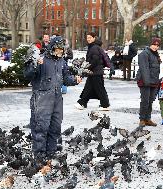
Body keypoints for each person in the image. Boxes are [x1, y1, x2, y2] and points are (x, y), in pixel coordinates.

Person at [23, 36, 81, 166]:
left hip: (57, 98)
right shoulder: (41, 58)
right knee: (40, 127)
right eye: (57, 49)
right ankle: (39, 156)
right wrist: (34, 65)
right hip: (41, 97)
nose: (59, 52)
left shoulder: (62, 61)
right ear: (52, 47)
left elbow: (65, 78)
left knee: (55, 127)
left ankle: (51, 153)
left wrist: (74, 80)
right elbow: (27, 76)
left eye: (61, 50)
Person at [75, 32, 110, 111]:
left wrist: (89, 67)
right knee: (88, 88)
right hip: (94, 71)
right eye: (87, 38)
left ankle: (105, 105)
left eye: (90, 38)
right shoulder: (93, 46)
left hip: (95, 72)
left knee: (99, 89)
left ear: (94, 38)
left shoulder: (94, 47)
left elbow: (95, 59)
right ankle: (82, 103)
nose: (88, 39)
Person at [136, 37, 161, 126]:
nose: (155, 47)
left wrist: (156, 82)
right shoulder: (144, 54)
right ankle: (142, 119)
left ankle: (147, 118)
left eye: (157, 45)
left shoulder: (155, 54)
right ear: (150, 44)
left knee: (150, 101)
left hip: (153, 81)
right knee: (145, 100)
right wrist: (147, 82)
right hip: (145, 81)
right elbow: (144, 68)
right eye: (154, 44)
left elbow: (156, 70)